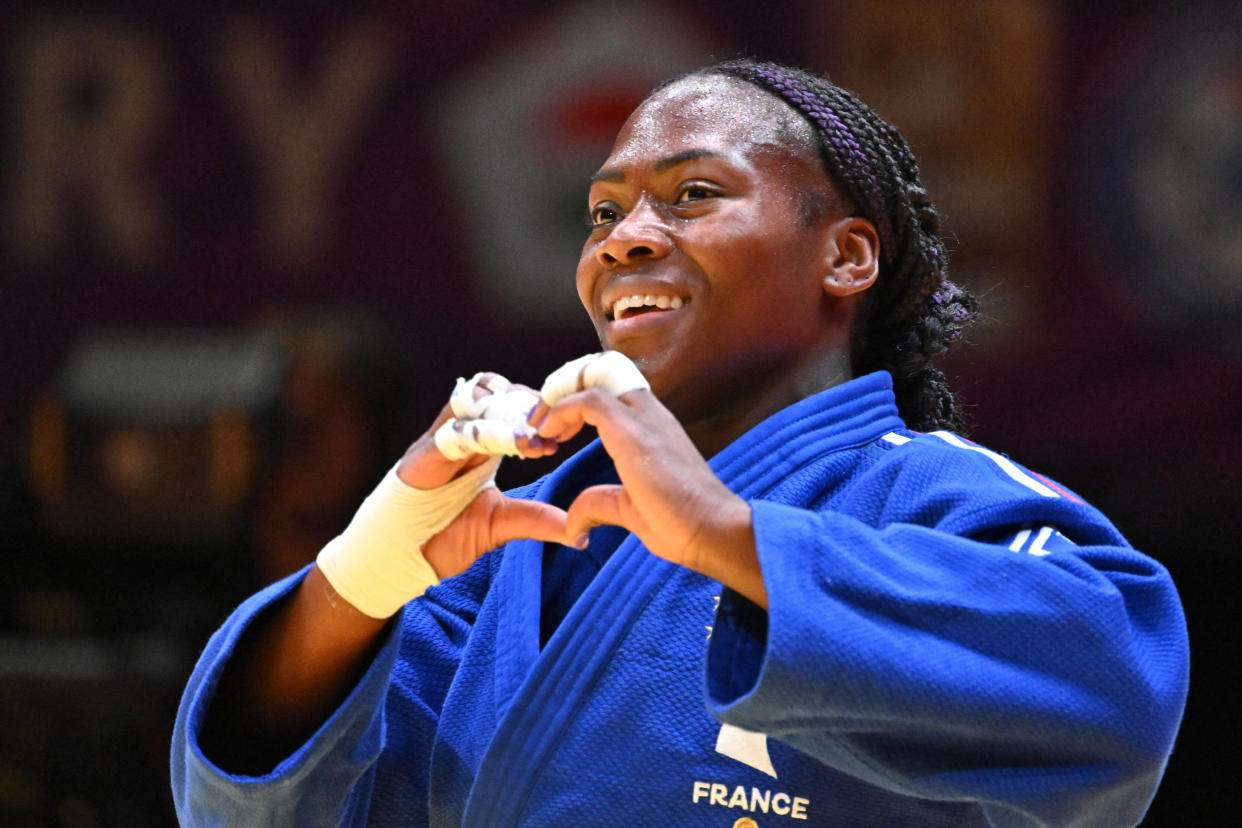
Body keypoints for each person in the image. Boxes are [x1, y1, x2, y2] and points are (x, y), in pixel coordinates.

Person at [171, 60, 1188, 827]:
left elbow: (1118, 676)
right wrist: (363, 571)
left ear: (845, 254)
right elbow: (259, 805)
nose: (625, 236)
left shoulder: (928, 493)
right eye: (605, 209)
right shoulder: (519, 547)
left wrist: (719, 531)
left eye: (693, 194)